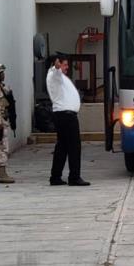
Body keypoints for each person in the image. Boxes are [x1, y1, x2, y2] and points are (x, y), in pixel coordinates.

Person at [47, 56, 90, 186]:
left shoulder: (59, 78)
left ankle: (55, 177)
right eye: (64, 65)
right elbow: (56, 73)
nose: (67, 67)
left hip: (64, 115)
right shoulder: (54, 75)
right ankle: (74, 177)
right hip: (66, 115)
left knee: (62, 147)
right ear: (57, 64)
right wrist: (56, 67)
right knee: (74, 147)